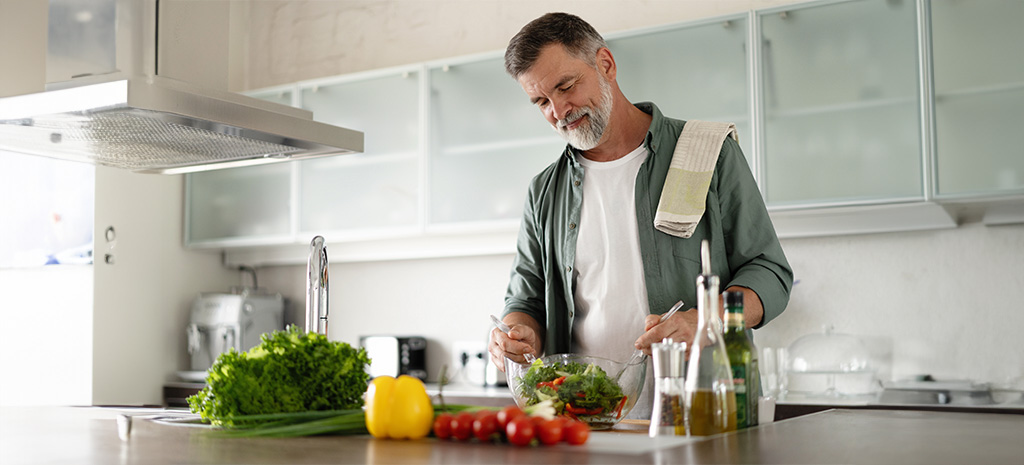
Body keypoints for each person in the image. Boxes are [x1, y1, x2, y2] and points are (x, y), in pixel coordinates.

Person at [489, 12, 793, 419]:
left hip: (704, 411)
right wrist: (518, 331)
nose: (559, 110)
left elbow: (770, 273)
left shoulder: (707, 153)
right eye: (541, 101)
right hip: (584, 422)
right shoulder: (544, 191)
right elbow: (525, 298)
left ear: (606, 64)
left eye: (566, 86)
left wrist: (705, 319)